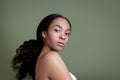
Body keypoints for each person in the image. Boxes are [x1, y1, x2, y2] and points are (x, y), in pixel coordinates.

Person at [11, 14, 77, 80]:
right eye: (57, 30)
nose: (63, 37)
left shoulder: (43, 59)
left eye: (67, 33)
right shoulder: (51, 57)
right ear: (44, 33)